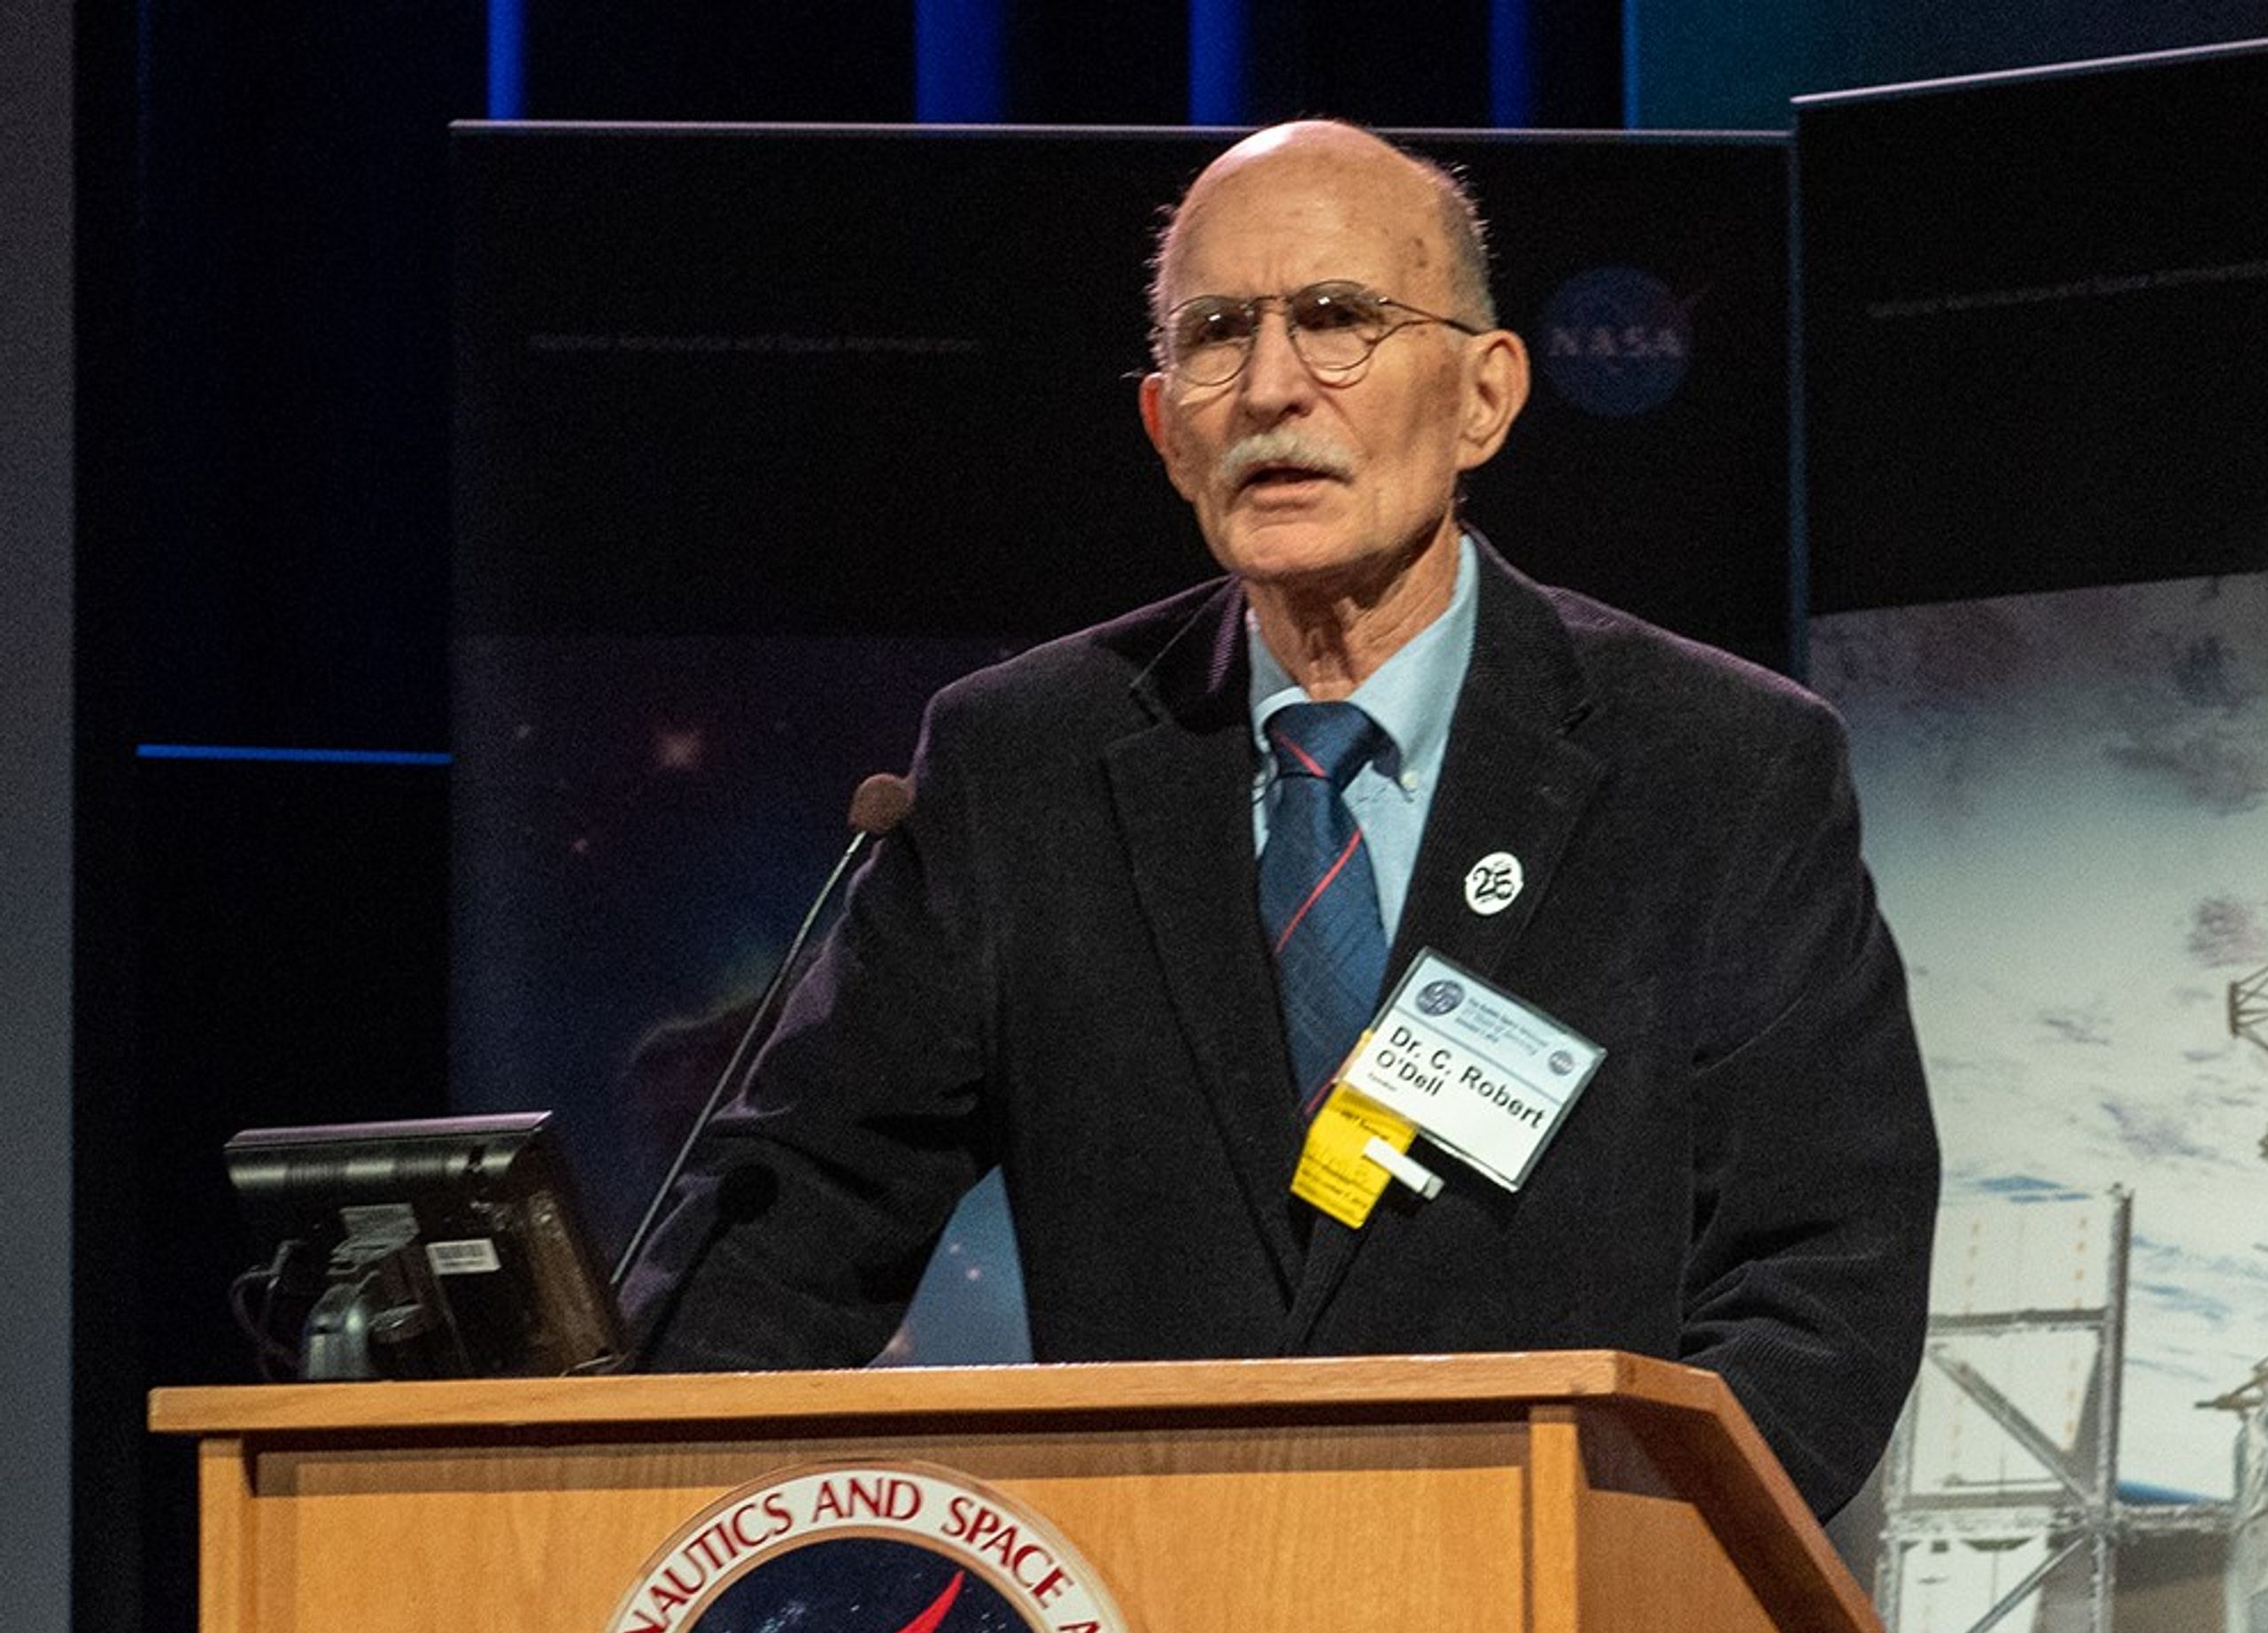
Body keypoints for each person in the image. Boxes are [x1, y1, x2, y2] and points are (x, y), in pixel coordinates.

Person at [622, 120, 1938, 1517]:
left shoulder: (1718, 767)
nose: (1269, 386)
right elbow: (791, 1218)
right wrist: (609, 1485)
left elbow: (1820, 1276)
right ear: (1164, 429)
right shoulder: (1021, 768)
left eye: (1338, 318)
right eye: (1215, 334)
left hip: (1563, 1591)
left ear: (1485, 396)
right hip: (1152, 1604)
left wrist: (1622, 1553)